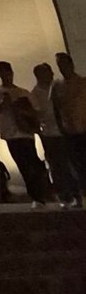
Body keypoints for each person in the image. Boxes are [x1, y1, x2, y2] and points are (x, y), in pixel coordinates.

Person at [0, 62, 51, 203]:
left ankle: (39, 193)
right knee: (23, 165)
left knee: (32, 162)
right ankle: (36, 195)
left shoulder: (24, 92)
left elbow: (36, 111)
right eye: (3, 73)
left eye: (8, 73)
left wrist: (24, 111)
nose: (6, 76)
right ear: (0, 75)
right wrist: (4, 103)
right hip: (11, 134)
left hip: (25, 132)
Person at [31, 64, 82, 207]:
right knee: (57, 166)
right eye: (48, 72)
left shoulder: (58, 87)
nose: (52, 74)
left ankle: (76, 194)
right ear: (39, 75)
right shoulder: (35, 94)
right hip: (50, 134)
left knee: (71, 164)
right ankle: (65, 196)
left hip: (66, 130)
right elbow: (38, 114)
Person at [56, 54, 86, 196]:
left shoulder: (83, 83)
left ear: (71, 64)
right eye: (59, 65)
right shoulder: (58, 86)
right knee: (77, 164)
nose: (62, 68)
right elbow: (56, 108)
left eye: (64, 64)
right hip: (69, 131)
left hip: (83, 127)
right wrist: (61, 127)